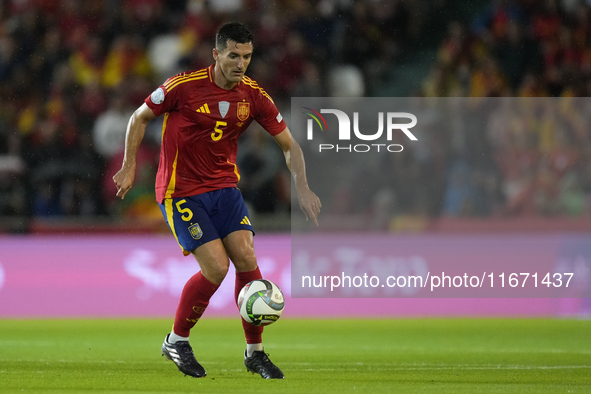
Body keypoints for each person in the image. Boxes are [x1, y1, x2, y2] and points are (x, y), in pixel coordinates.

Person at [112, 22, 321, 379]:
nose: (241, 63)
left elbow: (290, 145)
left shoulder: (254, 96)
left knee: (246, 257)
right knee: (216, 268)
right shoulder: (183, 86)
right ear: (217, 54)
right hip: (181, 191)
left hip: (224, 188)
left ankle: (254, 352)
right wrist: (129, 165)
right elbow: (139, 117)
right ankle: (176, 341)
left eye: (247, 56)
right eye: (234, 55)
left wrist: (302, 186)